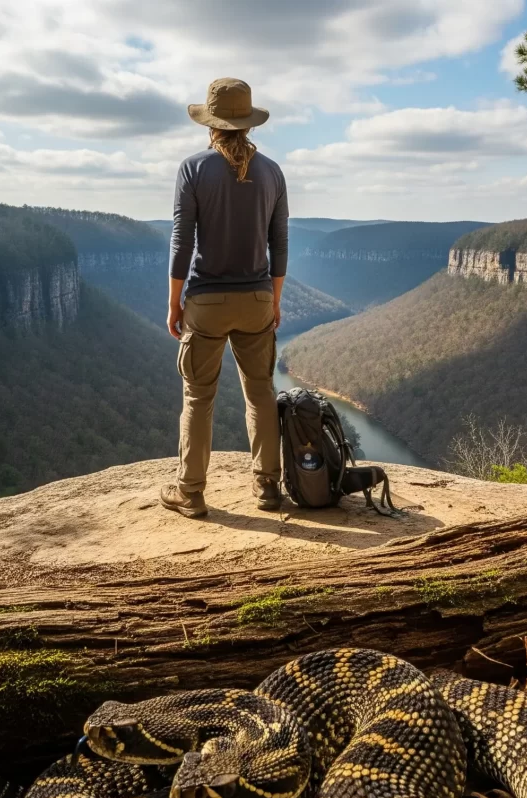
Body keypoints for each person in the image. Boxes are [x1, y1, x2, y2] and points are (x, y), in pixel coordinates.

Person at [160, 77, 288, 518]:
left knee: (198, 398)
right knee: (261, 393)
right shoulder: (272, 171)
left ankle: (191, 494)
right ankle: (268, 488)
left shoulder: (193, 169)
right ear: (248, 124)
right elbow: (280, 242)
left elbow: (182, 241)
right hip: (256, 298)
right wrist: (273, 300)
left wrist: (175, 302)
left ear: (210, 124)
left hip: (207, 303)